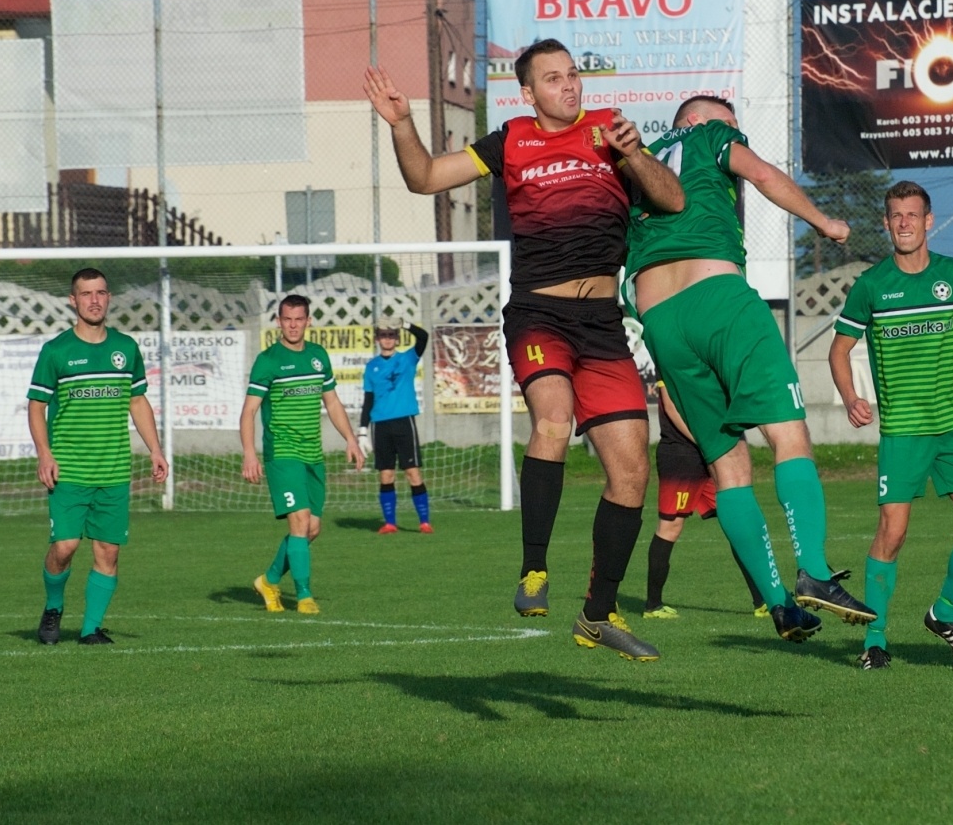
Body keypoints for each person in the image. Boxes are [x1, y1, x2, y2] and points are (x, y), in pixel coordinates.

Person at [365, 41, 683, 662]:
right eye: (554, 79)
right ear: (529, 94)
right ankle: (533, 570)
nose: (570, 86)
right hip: (539, 312)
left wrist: (635, 154)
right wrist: (403, 124)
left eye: (573, 75)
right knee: (554, 420)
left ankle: (599, 613)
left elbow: (672, 200)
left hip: (602, 324)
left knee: (632, 467)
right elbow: (425, 178)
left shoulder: (608, 133)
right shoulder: (510, 139)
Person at [626, 94, 873, 643]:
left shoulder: (634, 168)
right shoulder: (704, 138)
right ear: (694, 123)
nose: (738, 137)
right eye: (733, 127)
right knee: (790, 436)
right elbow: (762, 174)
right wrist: (824, 221)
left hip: (661, 325)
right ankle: (813, 571)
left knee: (729, 466)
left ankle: (781, 605)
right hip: (717, 297)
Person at [828, 181, 953, 670]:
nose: (904, 223)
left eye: (913, 215)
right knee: (893, 532)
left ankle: (943, 612)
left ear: (929, 221)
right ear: (885, 224)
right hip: (902, 430)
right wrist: (850, 397)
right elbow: (838, 349)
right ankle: (875, 640)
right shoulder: (872, 285)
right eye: (895, 216)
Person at [28, 267, 168, 646]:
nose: (94, 300)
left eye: (101, 293)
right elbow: (36, 405)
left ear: (109, 298)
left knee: (108, 550)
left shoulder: (125, 348)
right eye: (86, 294)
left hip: (114, 470)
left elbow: (137, 401)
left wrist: (155, 449)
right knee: (65, 547)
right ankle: (54, 606)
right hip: (69, 469)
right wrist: (45, 454)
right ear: (73, 301)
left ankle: (91, 629)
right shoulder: (56, 351)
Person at [244, 294, 365, 615]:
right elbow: (248, 412)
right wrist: (249, 453)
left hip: (313, 454)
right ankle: (304, 596)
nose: (293, 325)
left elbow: (333, 402)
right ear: (279, 322)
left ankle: (268, 581)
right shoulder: (268, 360)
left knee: (311, 528)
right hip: (282, 453)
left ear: (308, 321)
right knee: (299, 523)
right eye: (287, 319)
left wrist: (351, 440)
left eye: (299, 319)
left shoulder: (317, 356)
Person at [642, 383, 767, 620]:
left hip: (708, 454)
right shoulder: (669, 356)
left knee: (735, 522)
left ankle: (762, 600)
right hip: (680, 457)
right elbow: (671, 407)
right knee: (670, 527)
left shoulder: (701, 360)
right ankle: (653, 605)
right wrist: (702, 439)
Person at [358, 315, 432, 534]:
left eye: (391, 335)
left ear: (397, 338)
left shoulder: (408, 358)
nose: (387, 339)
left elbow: (423, 337)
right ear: (377, 339)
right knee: (386, 475)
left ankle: (424, 522)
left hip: (403, 422)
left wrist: (405, 324)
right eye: (383, 335)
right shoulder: (372, 367)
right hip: (380, 425)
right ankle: (390, 523)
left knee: (413, 473)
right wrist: (362, 431)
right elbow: (368, 400)